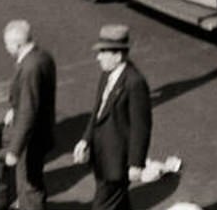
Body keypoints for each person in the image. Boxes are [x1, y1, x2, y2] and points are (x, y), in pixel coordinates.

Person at [72, 26, 176, 210]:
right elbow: (98, 110)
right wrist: (85, 139)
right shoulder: (107, 75)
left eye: (103, 52)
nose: (98, 57)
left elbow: (141, 127)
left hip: (117, 163)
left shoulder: (134, 82)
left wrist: (136, 164)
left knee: (103, 205)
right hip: (102, 157)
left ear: (118, 56)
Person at [0, 21, 56, 210]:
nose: (6, 49)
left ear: (17, 44)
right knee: (32, 180)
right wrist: (13, 110)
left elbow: (28, 111)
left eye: (7, 45)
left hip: (31, 139)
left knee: (29, 184)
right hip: (41, 132)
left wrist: (15, 150)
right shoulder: (43, 57)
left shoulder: (29, 67)